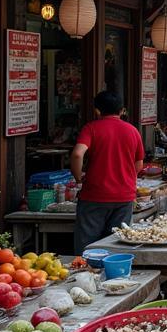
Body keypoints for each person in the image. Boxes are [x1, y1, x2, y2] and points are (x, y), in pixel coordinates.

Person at [70, 91, 144, 255]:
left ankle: (86, 276)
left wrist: (78, 178)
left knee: (87, 246)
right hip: (124, 196)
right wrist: (126, 176)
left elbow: (77, 154)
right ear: (122, 110)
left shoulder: (91, 128)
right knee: (118, 244)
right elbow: (139, 164)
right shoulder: (132, 131)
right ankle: (114, 277)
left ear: (97, 111)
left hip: (94, 195)